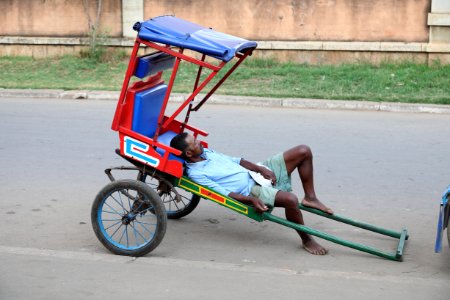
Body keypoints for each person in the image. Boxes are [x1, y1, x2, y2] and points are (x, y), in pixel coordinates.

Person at [170, 132, 333, 255]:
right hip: (252, 190)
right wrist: (251, 200)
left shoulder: (207, 153)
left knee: (303, 150)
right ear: (189, 154)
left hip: (256, 173)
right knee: (291, 200)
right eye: (195, 143)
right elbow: (224, 194)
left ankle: (311, 198)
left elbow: (236, 160)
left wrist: (260, 169)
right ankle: (307, 239)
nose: (199, 142)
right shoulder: (197, 174)